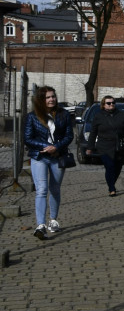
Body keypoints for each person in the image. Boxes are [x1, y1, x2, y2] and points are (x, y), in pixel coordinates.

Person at [23, 86, 73, 240]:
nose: (52, 99)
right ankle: (40, 225)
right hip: (40, 157)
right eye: (48, 97)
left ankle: (53, 220)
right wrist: (45, 147)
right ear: (41, 100)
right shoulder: (32, 117)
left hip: (58, 156)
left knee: (55, 188)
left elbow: (69, 135)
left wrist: (56, 147)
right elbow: (28, 138)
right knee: (41, 190)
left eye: (53, 96)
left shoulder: (64, 114)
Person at [86, 95, 124, 196]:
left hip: (119, 145)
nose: (111, 105)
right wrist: (90, 147)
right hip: (104, 146)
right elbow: (93, 133)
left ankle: (111, 182)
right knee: (109, 166)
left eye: (113, 103)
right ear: (103, 105)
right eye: (108, 103)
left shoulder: (122, 115)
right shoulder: (98, 116)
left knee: (117, 168)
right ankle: (111, 188)